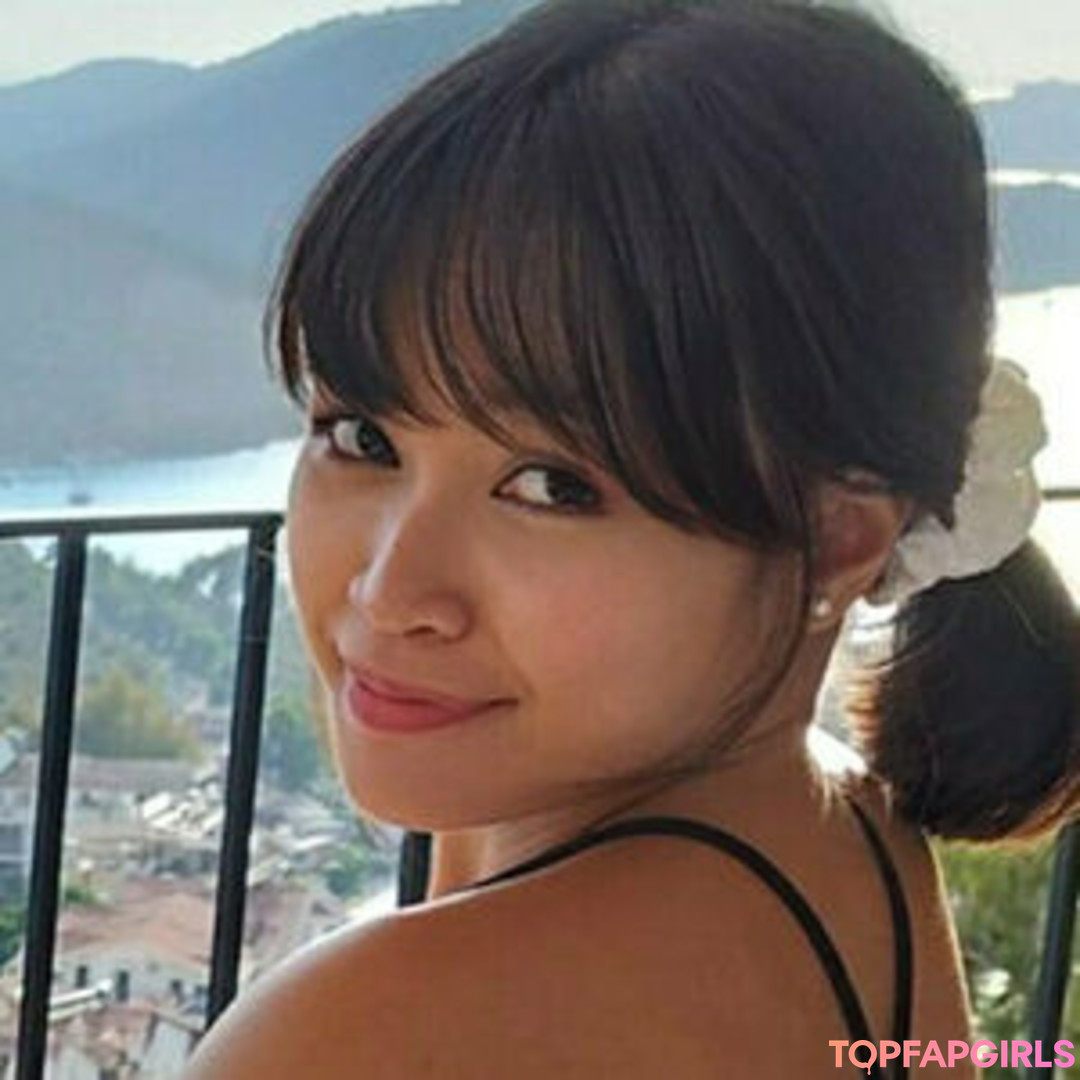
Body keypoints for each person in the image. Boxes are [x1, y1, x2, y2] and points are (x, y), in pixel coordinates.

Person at [184, 1, 1080, 1077]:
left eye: (551, 486)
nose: (388, 590)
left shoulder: (363, 1035)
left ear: (836, 538)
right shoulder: (851, 835)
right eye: (361, 436)